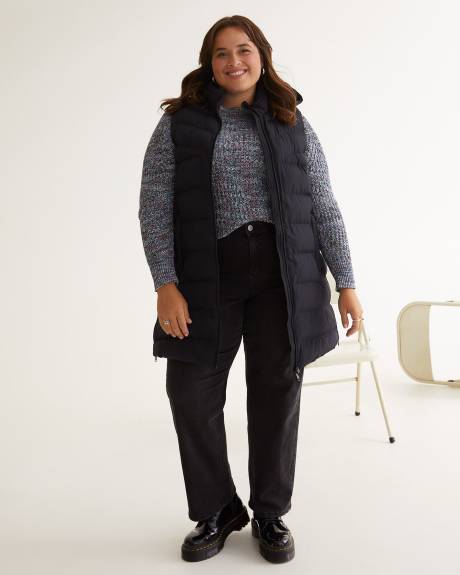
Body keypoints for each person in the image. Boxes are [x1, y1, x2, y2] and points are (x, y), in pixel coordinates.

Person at [138, 14, 364, 564]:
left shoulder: (292, 122)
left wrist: (346, 282)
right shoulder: (179, 125)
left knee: (276, 394)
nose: (233, 61)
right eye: (221, 53)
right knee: (190, 391)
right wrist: (165, 283)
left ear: (261, 56)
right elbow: (154, 207)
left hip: (283, 279)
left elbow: (323, 204)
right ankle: (217, 509)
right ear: (208, 63)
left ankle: (269, 512)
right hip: (206, 278)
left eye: (243, 50)